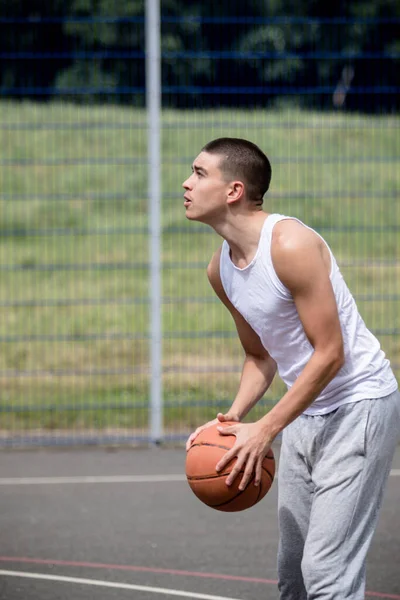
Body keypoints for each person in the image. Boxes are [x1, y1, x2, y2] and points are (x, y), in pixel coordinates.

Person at [182, 137, 400, 600]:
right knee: (294, 578)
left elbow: (330, 353)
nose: (186, 183)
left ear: (233, 190)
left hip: (357, 406)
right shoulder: (220, 270)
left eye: (200, 173)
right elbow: (260, 356)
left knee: (327, 573)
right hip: (303, 409)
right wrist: (235, 417)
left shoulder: (290, 244)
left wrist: (266, 429)